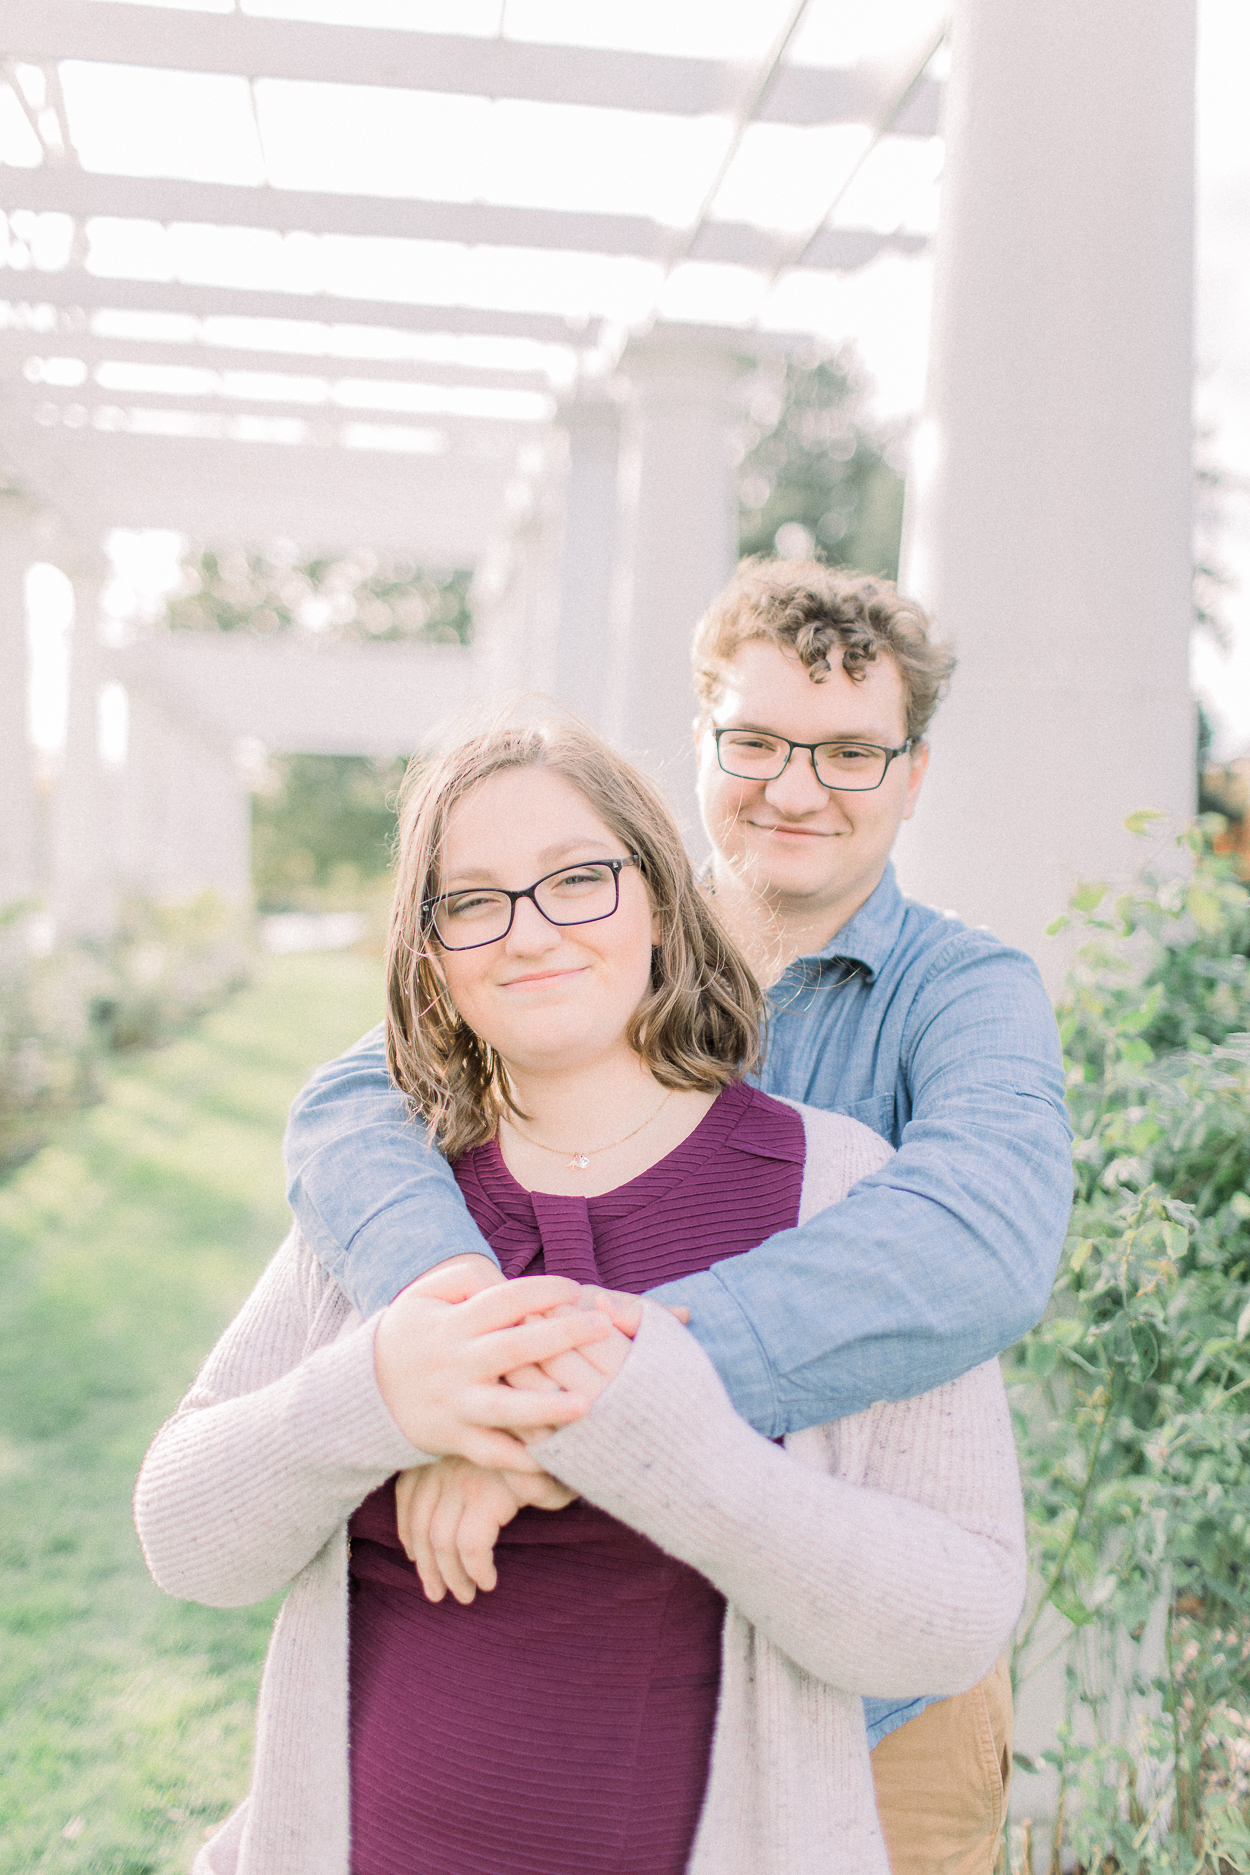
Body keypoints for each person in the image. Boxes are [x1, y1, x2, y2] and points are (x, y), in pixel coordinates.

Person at [282, 560, 1074, 1870]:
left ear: (914, 775)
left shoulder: (964, 990)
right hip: (582, 1655)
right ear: (697, 743)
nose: (797, 787)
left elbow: (985, 1238)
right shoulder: (590, 929)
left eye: (851, 752)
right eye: (755, 741)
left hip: (877, 1692)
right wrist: (472, 1349)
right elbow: (348, 1103)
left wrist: (580, 1394)